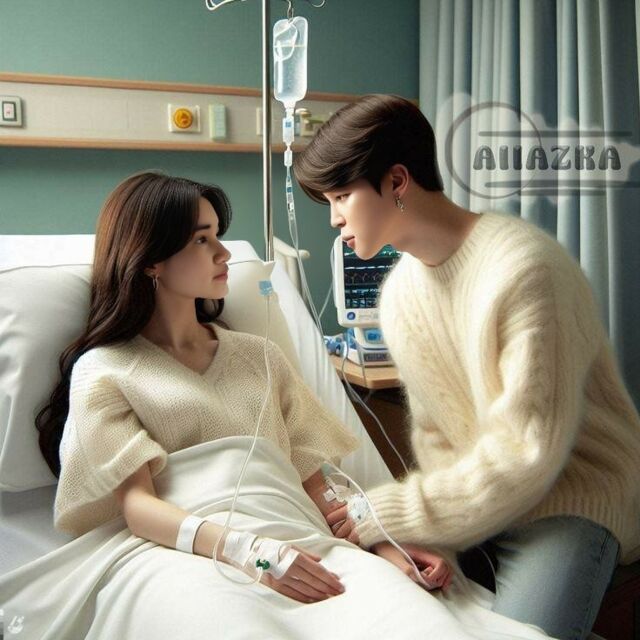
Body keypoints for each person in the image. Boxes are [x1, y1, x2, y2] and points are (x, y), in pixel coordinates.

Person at [293, 93, 640, 640]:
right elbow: (438, 440)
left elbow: (527, 452)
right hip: (486, 503)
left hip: (570, 497)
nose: (335, 220)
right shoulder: (401, 296)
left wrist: (389, 511)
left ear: (397, 181)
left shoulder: (525, 269)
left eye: (340, 197)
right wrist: (433, 537)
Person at [35, 170, 453, 606]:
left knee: (404, 614)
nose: (224, 253)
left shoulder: (260, 356)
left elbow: (317, 483)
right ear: (150, 260)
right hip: (183, 556)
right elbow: (138, 506)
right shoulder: (104, 371)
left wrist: (384, 540)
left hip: (300, 540)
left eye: (218, 235)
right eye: (202, 239)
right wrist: (250, 553)